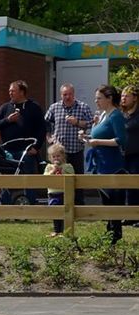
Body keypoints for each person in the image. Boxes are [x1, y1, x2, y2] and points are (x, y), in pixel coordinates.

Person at [84, 84, 127, 244]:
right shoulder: (102, 114)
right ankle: (109, 233)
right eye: (96, 98)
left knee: (114, 201)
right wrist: (88, 137)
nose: (96, 101)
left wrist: (97, 141)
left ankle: (115, 235)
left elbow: (121, 140)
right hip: (100, 164)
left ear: (109, 98)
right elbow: (99, 135)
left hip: (112, 165)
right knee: (106, 201)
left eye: (99, 98)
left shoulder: (116, 116)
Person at [0, 80, 45, 203]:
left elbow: (41, 129)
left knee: (28, 179)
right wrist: (7, 120)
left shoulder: (33, 107)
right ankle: (6, 205)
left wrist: (36, 147)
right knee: (7, 179)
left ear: (22, 92)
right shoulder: (5, 107)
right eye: (9, 91)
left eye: (13, 91)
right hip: (8, 150)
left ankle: (30, 204)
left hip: (26, 151)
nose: (10, 93)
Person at [44, 83, 94, 174]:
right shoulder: (54, 107)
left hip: (76, 150)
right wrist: (49, 137)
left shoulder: (83, 107)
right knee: (59, 178)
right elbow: (46, 123)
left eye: (70, 94)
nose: (68, 97)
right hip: (59, 152)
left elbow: (91, 123)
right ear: (61, 95)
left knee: (77, 179)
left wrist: (77, 122)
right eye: (65, 94)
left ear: (74, 94)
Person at [44, 143, 75, 237]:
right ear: (50, 158)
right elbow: (44, 178)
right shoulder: (49, 167)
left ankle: (65, 230)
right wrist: (52, 171)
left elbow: (72, 175)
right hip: (53, 193)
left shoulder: (67, 166)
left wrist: (62, 170)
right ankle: (56, 230)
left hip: (64, 193)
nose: (56, 158)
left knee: (66, 211)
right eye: (53, 156)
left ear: (63, 156)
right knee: (55, 211)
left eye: (58, 156)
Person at [121, 85, 139, 225]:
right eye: (122, 96)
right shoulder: (122, 115)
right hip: (124, 155)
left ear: (135, 97)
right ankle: (130, 215)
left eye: (126, 96)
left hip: (137, 155)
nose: (123, 98)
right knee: (127, 185)